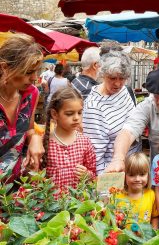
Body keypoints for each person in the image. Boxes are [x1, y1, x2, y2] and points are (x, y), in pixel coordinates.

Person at [83, 48, 138, 175]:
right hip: (113, 171)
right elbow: (95, 154)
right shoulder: (94, 106)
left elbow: (133, 121)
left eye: (122, 78)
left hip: (132, 168)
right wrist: (103, 184)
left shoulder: (124, 91)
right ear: (103, 74)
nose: (118, 84)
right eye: (112, 78)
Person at [0, 34, 44, 178]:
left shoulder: (31, 94)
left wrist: (35, 139)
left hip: (17, 191)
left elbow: (29, 128)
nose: (34, 78)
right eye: (28, 72)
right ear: (5, 67)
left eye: (37, 71)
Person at [41, 87, 96, 189]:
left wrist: (87, 175)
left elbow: (93, 172)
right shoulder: (44, 142)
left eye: (79, 112)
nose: (76, 118)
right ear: (54, 114)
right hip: (51, 203)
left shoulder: (84, 142)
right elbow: (35, 177)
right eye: (69, 114)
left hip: (77, 203)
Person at [115, 152, 159, 230]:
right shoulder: (117, 195)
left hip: (144, 239)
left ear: (148, 175)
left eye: (142, 174)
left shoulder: (151, 194)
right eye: (132, 175)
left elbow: (154, 216)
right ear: (125, 175)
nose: (137, 179)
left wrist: (153, 232)